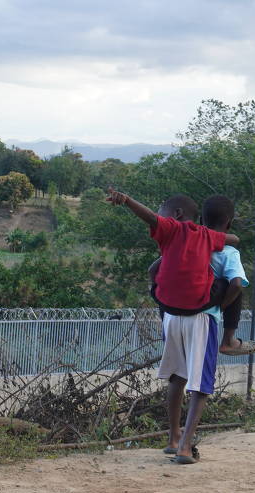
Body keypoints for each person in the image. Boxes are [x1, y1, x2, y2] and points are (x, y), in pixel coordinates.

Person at [106, 188, 237, 464]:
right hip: (201, 317)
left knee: (178, 377)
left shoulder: (172, 233)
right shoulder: (207, 238)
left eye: (163, 213)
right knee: (200, 385)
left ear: (176, 216)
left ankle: (173, 439)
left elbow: (150, 221)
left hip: (170, 316)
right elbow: (234, 249)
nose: (158, 220)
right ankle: (186, 448)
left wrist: (128, 201)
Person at [148, 195, 255, 357]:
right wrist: (221, 307)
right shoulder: (228, 253)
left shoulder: (184, 243)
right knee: (237, 284)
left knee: (178, 372)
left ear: (200, 220)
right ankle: (228, 340)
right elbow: (236, 285)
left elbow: (152, 270)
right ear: (229, 223)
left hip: (169, 311)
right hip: (201, 310)